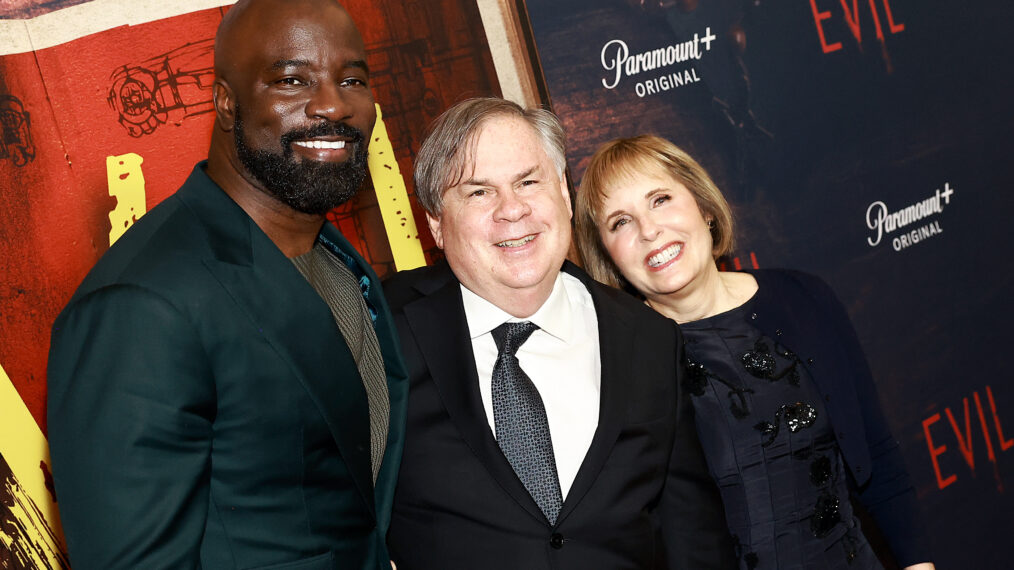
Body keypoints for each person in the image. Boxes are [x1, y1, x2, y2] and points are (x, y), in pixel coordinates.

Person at [46, 1, 407, 568]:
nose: (334, 104)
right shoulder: (139, 306)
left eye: (352, 79)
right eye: (291, 79)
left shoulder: (333, 258)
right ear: (225, 103)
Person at [383, 97, 736, 569]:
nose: (513, 210)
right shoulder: (381, 330)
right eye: (478, 192)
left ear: (564, 197)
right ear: (436, 225)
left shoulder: (650, 340)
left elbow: (694, 538)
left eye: (529, 182)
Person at [574, 134, 935, 570]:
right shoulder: (617, 366)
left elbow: (878, 459)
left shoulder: (803, 299)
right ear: (608, 258)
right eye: (620, 222)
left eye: (661, 199)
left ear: (704, 208)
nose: (649, 230)